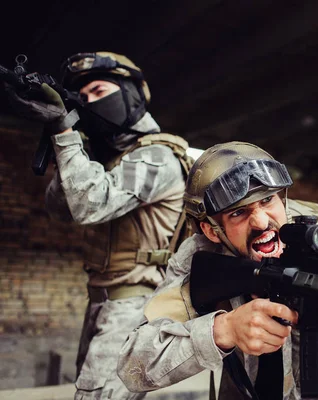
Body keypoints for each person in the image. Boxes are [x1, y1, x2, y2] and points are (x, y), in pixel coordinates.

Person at [117, 141, 318, 400]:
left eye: (267, 200)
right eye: (238, 212)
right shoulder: (203, 257)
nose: (261, 222)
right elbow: (133, 365)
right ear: (211, 230)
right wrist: (225, 329)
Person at [4, 52, 193, 399]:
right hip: (102, 303)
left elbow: (89, 204)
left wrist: (64, 131)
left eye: (99, 90)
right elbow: (60, 207)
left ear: (132, 93)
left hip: (134, 305)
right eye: (84, 96)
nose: (91, 101)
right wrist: (71, 140)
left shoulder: (156, 155)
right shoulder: (111, 159)